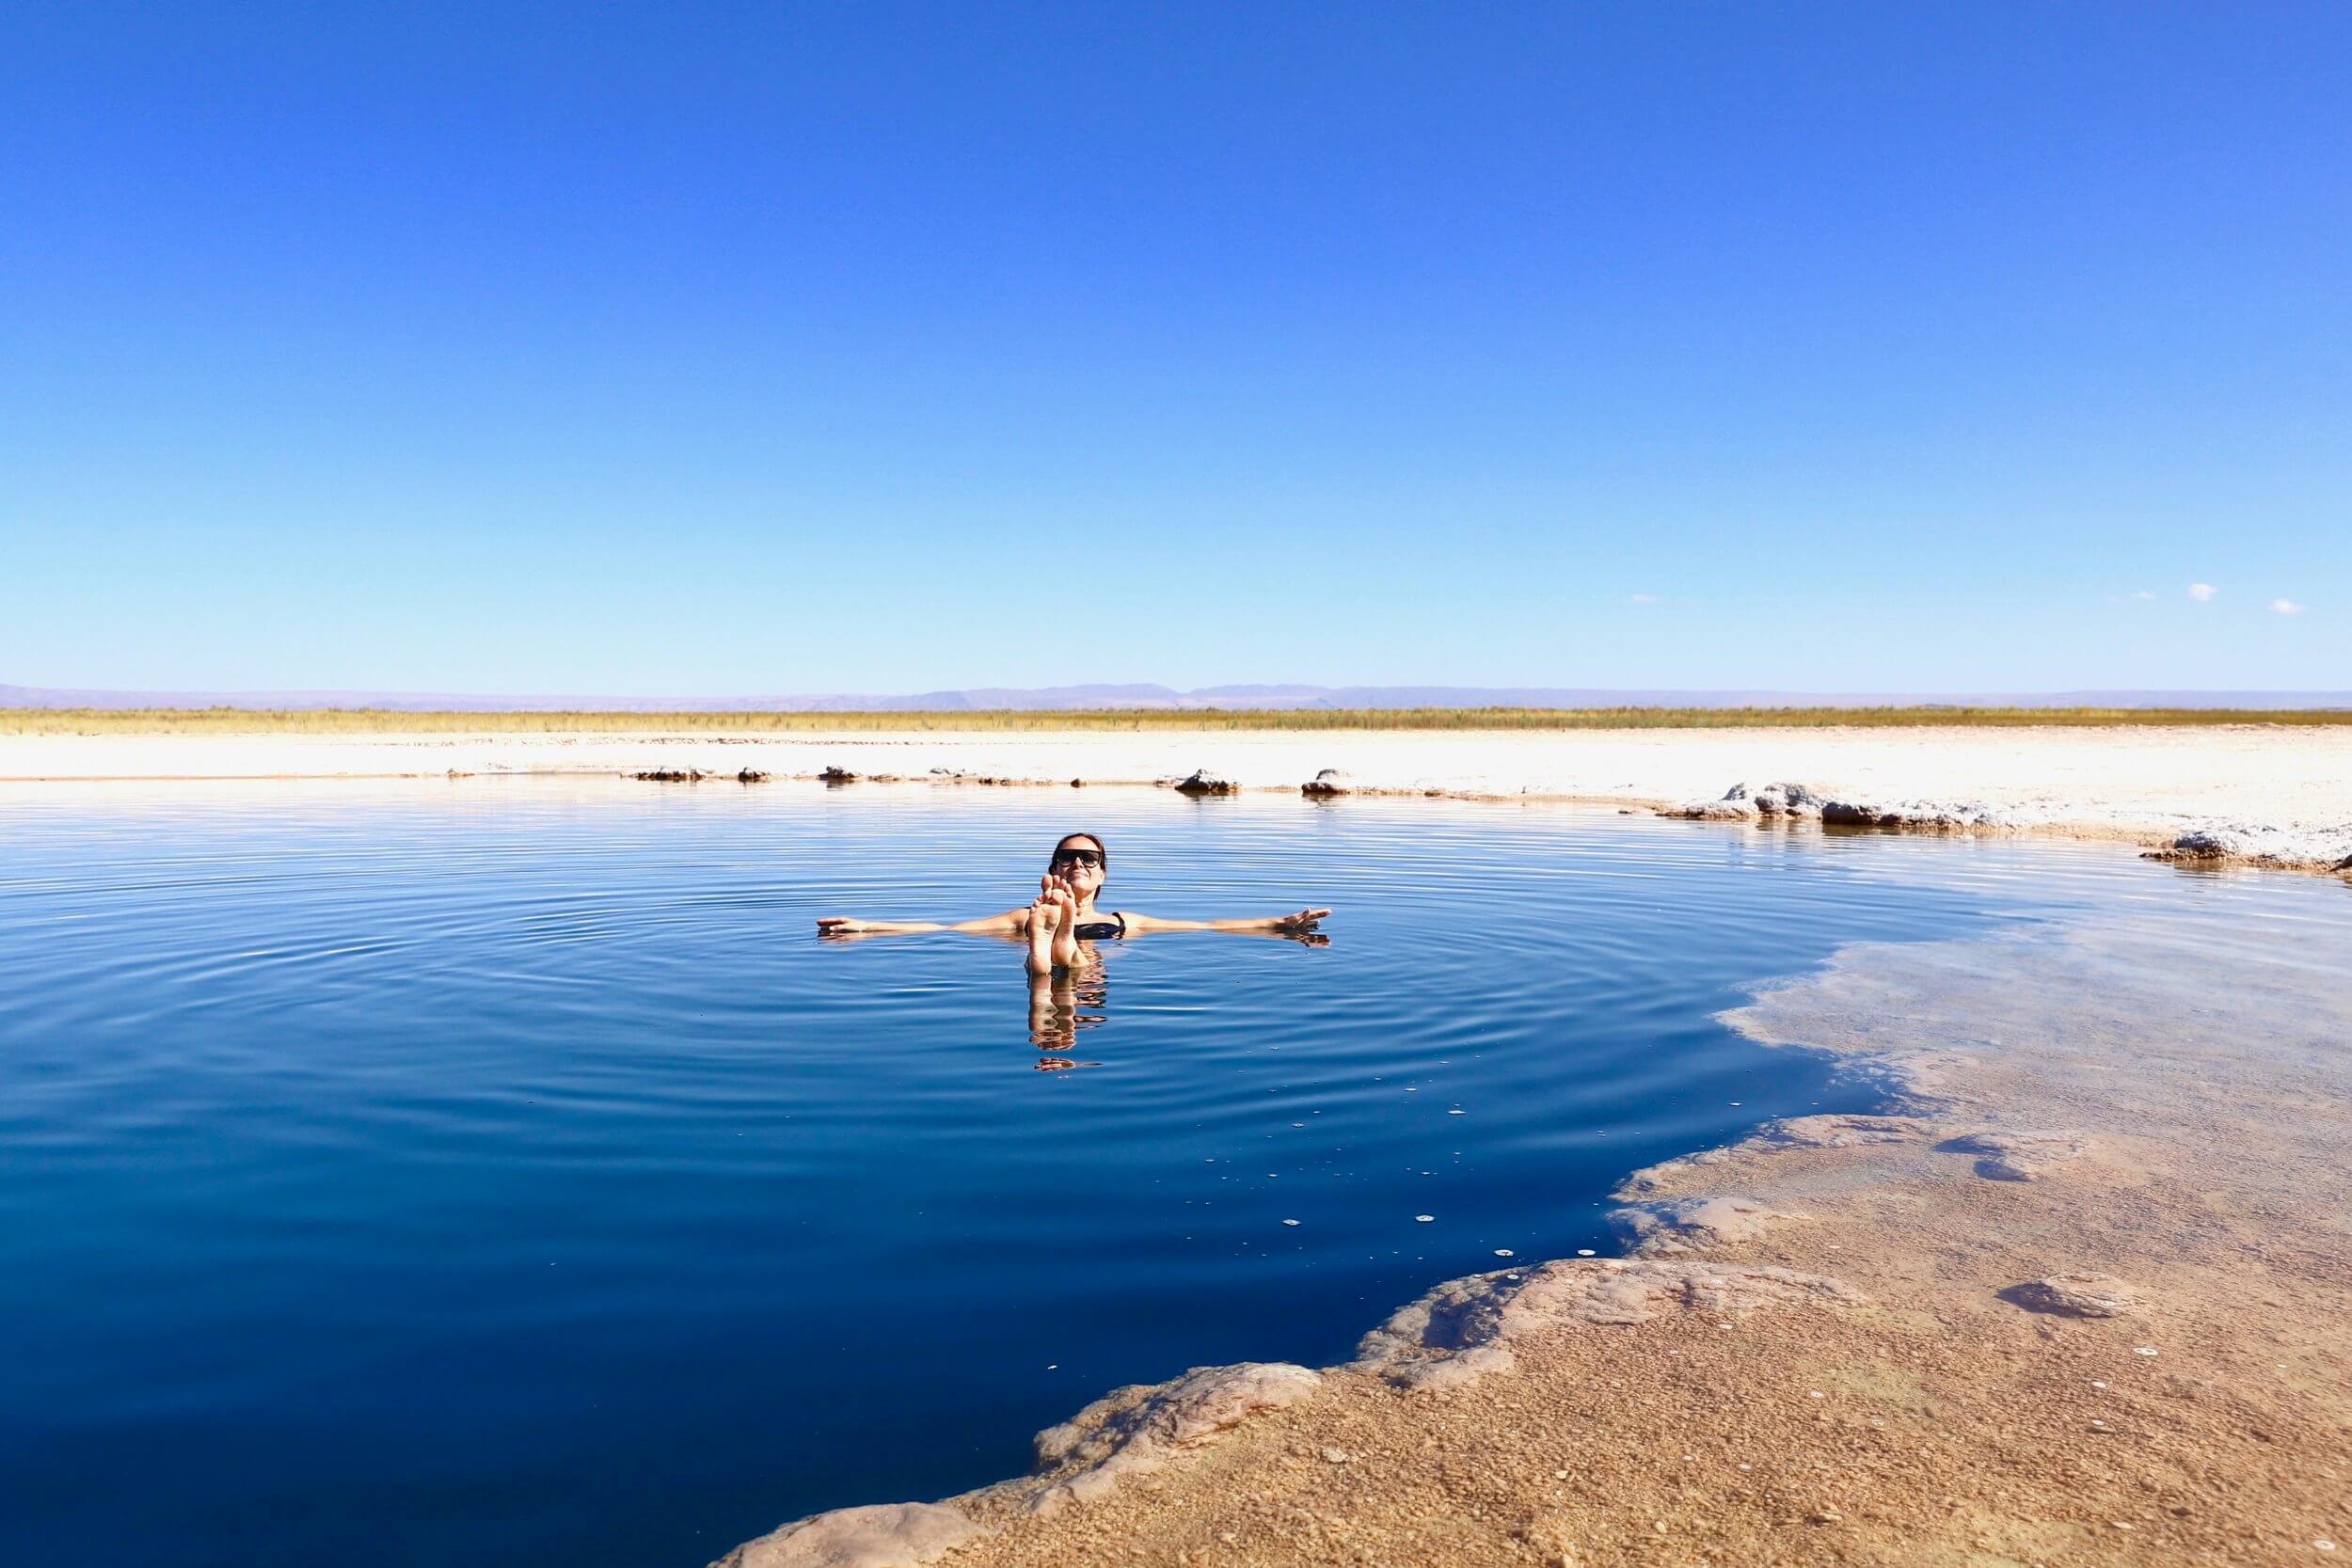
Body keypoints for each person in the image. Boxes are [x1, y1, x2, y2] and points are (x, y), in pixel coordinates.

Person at [815, 832, 1331, 974]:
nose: (1078, 865)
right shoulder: (1025, 914)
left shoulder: (1127, 919)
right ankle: (1057, 944)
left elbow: (1207, 926)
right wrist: (867, 925)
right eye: (1067, 858)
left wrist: (1280, 923)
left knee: (1066, 971)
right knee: (1057, 966)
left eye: (1089, 859)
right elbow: (950, 929)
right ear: (1054, 869)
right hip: (1048, 931)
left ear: (1103, 874)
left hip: (1090, 944)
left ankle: (1060, 946)